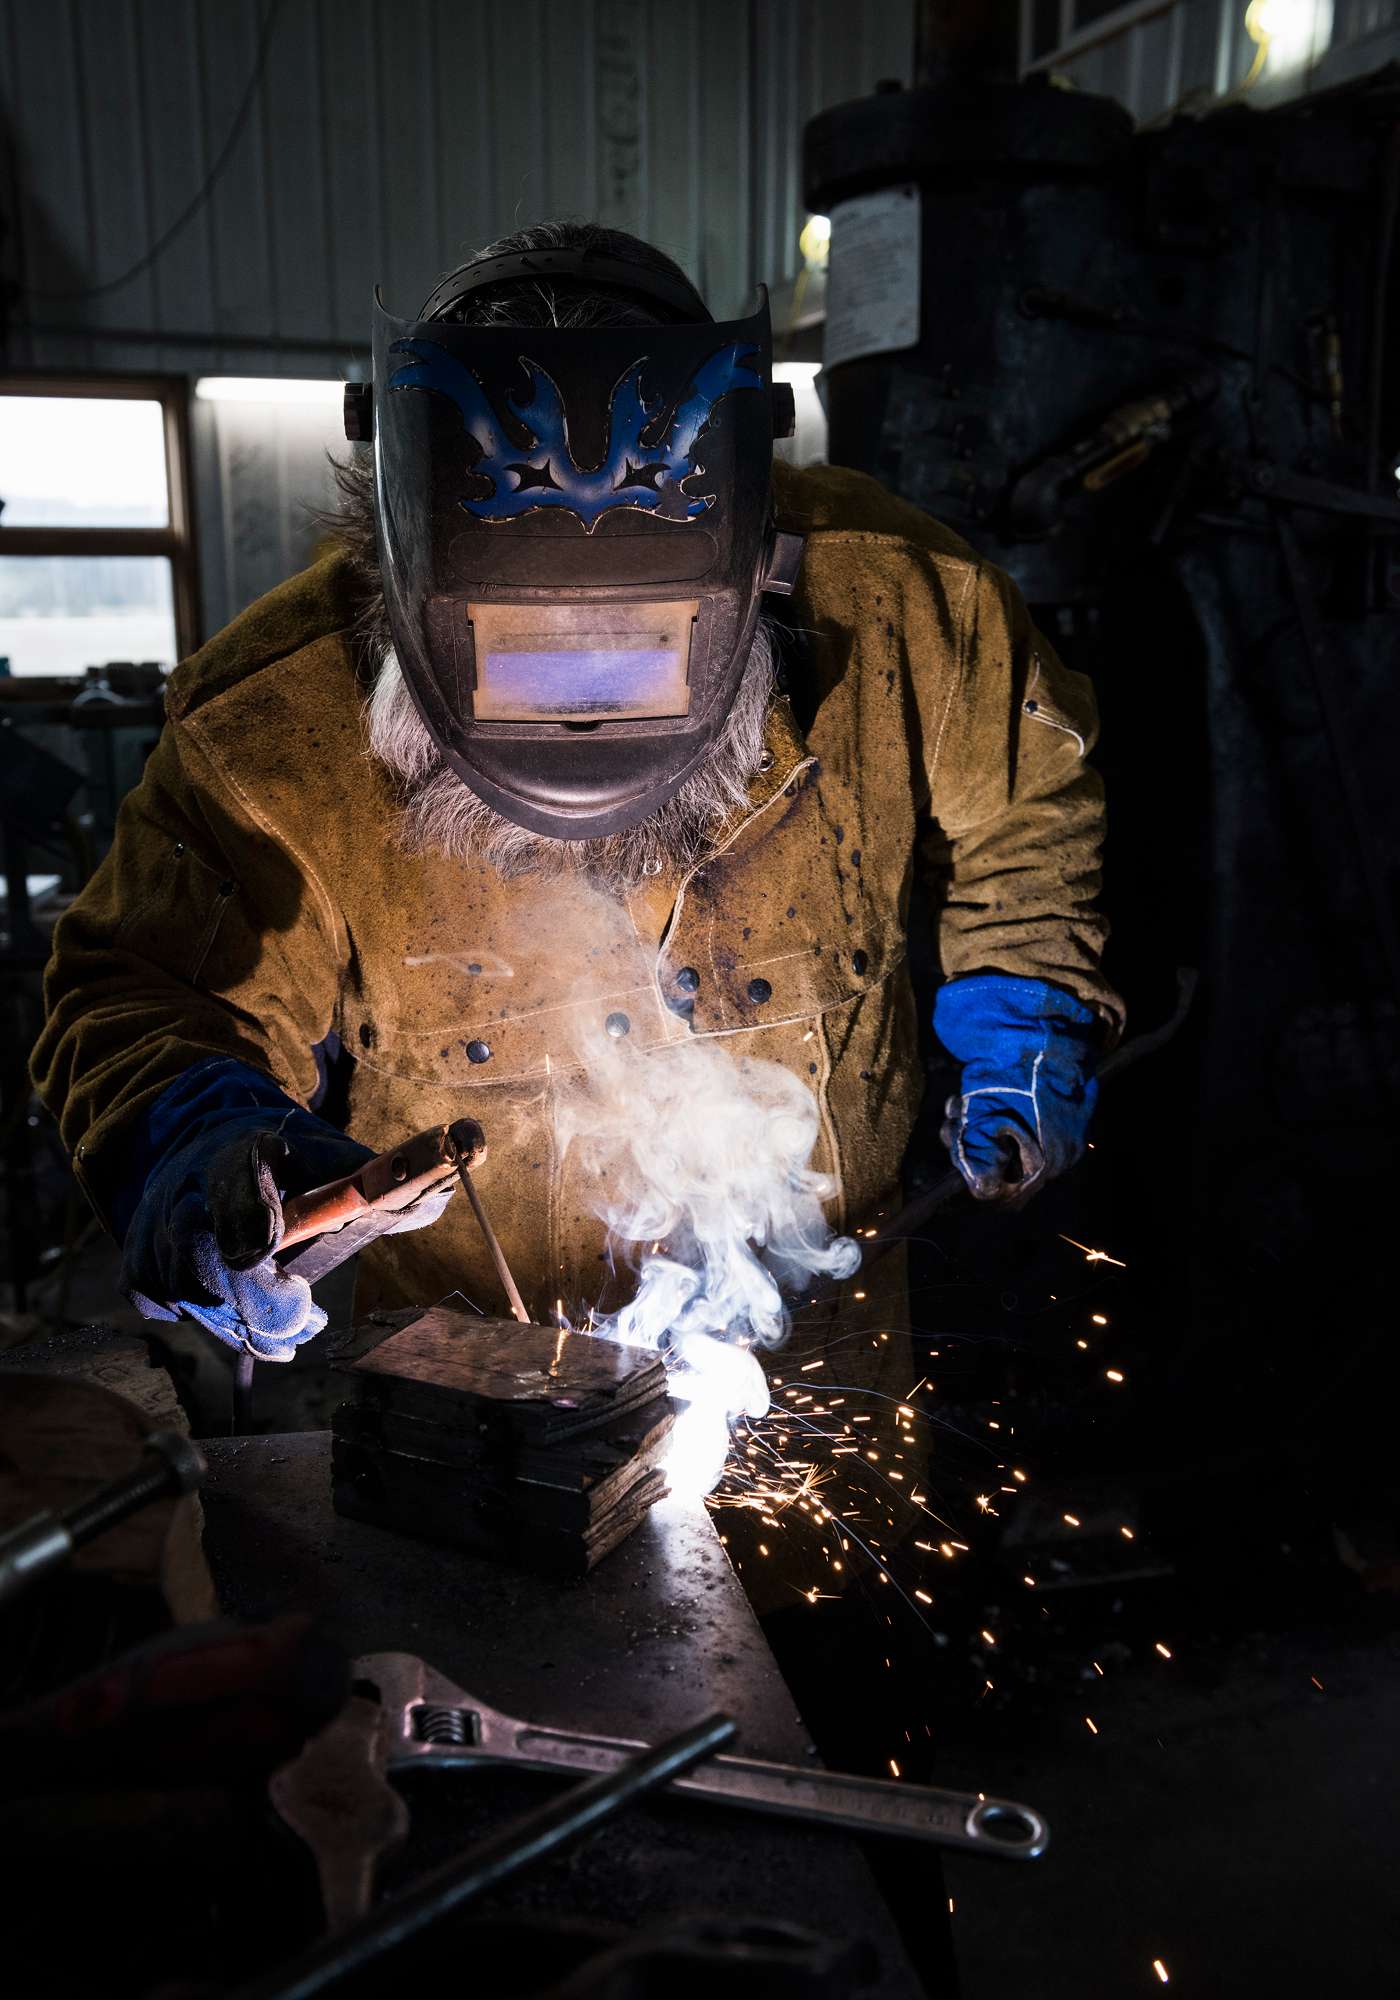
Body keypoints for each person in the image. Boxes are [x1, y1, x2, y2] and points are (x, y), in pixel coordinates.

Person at [31, 220, 1122, 1390]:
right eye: (528, 662)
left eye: (636, 656)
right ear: (405, 598)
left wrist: (1019, 1014)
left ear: (755, 569)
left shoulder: (909, 609)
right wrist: (199, 1141)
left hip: (824, 1354)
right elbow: (148, 990)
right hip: (477, 1383)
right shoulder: (272, 725)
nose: (586, 725)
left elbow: (1025, 817)